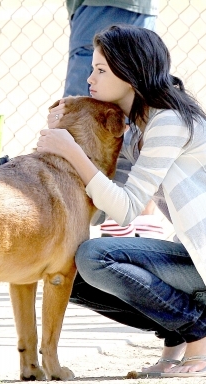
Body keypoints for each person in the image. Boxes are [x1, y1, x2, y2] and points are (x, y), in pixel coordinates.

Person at [37, 24, 206, 376]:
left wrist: (70, 150)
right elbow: (100, 207)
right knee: (66, 268)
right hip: (195, 258)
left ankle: (202, 329)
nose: (90, 79)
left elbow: (125, 209)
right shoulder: (137, 127)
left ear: (129, 74)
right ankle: (177, 337)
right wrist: (71, 137)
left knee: (93, 256)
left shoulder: (169, 120)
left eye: (101, 70)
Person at [64, 0, 162, 239]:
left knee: (88, 117)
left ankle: (125, 224)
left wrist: (65, 145)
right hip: (131, 7)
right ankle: (133, 224)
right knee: (134, 108)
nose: (91, 78)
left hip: (103, 6)